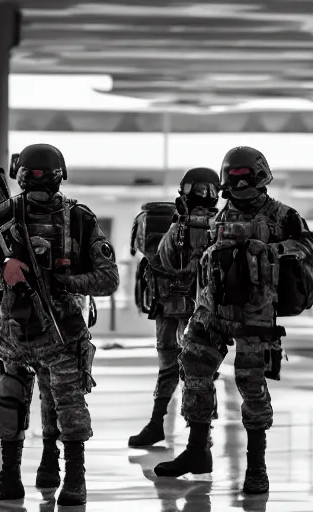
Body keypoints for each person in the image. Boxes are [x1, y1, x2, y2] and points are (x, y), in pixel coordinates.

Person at [153, 146, 313, 495]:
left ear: (260, 176)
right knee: (194, 372)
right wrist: (180, 221)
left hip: (256, 317)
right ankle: (198, 452)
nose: (240, 183)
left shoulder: (282, 216)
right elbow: (168, 260)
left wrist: (271, 250)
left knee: (252, 387)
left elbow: (311, 249)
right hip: (211, 313)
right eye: (234, 177)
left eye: (246, 176)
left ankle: (256, 468)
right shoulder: (213, 218)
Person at [0, 144, 119, 505]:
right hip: (15, 334)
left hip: (61, 333)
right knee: (9, 401)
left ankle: (74, 478)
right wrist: (4, 272)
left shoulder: (80, 219)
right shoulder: (6, 217)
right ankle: (9, 478)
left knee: (68, 405)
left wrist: (64, 281)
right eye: (29, 178)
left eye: (41, 178)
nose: (35, 185)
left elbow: (109, 279)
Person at [128, 168, 221, 447]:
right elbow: (165, 260)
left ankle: (200, 434)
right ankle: (159, 424)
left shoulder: (221, 226)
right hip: (171, 305)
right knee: (173, 368)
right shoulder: (179, 222)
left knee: (198, 372)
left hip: (196, 310)